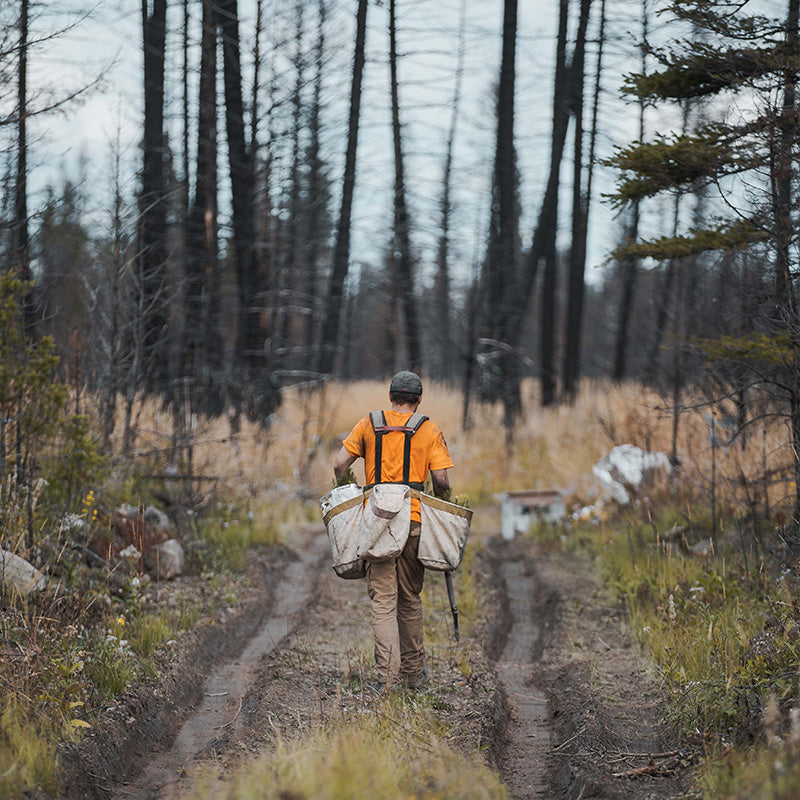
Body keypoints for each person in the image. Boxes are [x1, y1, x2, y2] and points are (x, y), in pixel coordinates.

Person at [333, 370, 453, 690]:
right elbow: (441, 481)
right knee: (410, 598)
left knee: (383, 603)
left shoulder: (368, 424)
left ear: (390, 398)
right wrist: (442, 503)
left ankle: (387, 679)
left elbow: (338, 464)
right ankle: (414, 675)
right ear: (419, 399)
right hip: (413, 521)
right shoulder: (429, 430)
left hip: (377, 523)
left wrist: (350, 489)